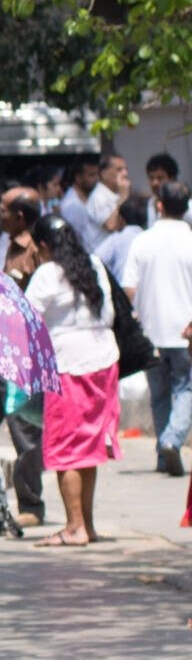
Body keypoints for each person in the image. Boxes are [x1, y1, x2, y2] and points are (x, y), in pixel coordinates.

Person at [28, 215, 120, 547]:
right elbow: (109, 314)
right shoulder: (93, 264)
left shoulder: (46, 273)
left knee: (66, 448)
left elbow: (27, 318)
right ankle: (87, 525)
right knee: (90, 447)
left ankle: (74, 527)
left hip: (68, 364)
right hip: (104, 361)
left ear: (42, 247)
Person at [122, 181, 192, 477]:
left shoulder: (142, 241)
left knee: (160, 394)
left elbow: (128, 288)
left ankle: (165, 453)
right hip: (185, 332)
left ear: (159, 204)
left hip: (151, 334)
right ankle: (171, 440)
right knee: (187, 387)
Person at [0, 189, 49, 527]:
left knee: (25, 428)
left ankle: (31, 504)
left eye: (3, 209)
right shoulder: (9, 246)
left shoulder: (37, 250)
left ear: (21, 217)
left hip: (26, 355)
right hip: (2, 348)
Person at [97, 194, 150, 278]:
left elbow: (95, 261)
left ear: (121, 220)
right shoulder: (149, 240)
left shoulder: (116, 239)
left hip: (120, 288)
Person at [88, 150, 130, 233]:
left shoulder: (116, 192)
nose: (125, 173)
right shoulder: (98, 197)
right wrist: (123, 198)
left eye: (126, 169)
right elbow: (111, 225)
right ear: (104, 173)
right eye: (119, 170)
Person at [55, 160, 99, 237]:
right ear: (78, 178)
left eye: (97, 174)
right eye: (91, 175)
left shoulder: (89, 198)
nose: (96, 179)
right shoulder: (73, 204)